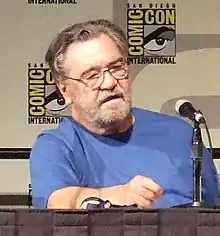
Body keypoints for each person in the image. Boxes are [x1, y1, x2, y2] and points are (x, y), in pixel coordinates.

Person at [29, 19, 220, 209]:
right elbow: (58, 202)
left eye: (116, 68)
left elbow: (213, 213)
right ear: (65, 91)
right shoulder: (57, 146)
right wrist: (117, 195)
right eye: (92, 76)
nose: (109, 83)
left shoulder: (181, 134)